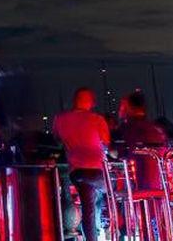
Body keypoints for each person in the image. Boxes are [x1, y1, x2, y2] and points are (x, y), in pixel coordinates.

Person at [53, 87, 112, 241]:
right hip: (96, 171)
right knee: (112, 192)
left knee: (88, 209)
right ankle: (111, 229)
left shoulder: (60, 119)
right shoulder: (97, 119)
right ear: (91, 102)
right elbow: (106, 145)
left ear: (75, 100)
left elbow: (57, 141)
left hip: (76, 172)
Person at [114, 90, 167, 191]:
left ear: (129, 107)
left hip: (138, 185)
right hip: (159, 186)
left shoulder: (127, 129)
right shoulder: (156, 129)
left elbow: (118, 153)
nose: (120, 110)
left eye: (122, 106)